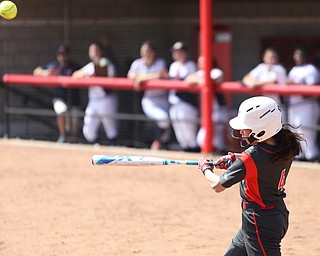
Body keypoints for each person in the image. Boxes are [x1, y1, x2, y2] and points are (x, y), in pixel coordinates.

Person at [197, 96, 303, 256]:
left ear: (262, 129)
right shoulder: (286, 144)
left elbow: (217, 185)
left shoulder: (251, 157)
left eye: (246, 127)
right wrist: (236, 159)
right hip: (272, 215)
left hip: (260, 221)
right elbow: (262, 159)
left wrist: (205, 168)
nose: (242, 132)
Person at [33, 44, 82, 143]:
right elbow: (36, 71)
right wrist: (45, 73)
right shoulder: (54, 66)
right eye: (61, 54)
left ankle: (73, 139)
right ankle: (63, 136)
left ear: (69, 55)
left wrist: (75, 75)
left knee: (74, 121)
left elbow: (84, 72)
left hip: (74, 99)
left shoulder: (74, 66)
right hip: (60, 97)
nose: (63, 56)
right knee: (61, 110)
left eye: (65, 54)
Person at [72, 42, 118, 144]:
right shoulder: (89, 66)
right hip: (93, 101)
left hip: (106, 99)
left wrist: (96, 75)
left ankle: (114, 149)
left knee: (110, 128)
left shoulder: (107, 63)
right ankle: (97, 145)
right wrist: (86, 75)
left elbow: (111, 79)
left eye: (96, 50)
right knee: (88, 130)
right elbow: (75, 75)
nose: (94, 53)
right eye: (92, 51)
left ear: (101, 52)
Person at [127, 41, 170, 150]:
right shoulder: (137, 63)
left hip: (163, 98)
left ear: (154, 52)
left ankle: (161, 144)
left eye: (149, 51)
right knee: (163, 118)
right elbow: (130, 76)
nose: (147, 53)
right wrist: (151, 76)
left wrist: (141, 77)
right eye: (145, 51)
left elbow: (161, 75)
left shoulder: (160, 62)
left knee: (167, 123)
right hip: (149, 99)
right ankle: (157, 142)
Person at [185, 56, 229, 153]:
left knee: (213, 141)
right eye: (199, 62)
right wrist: (201, 80)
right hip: (209, 112)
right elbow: (188, 79)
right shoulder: (201, 73)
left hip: (219, 111)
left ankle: (221, 160)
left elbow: (215, 79)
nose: (201, 64)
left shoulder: (216, 71)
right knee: (206, 140)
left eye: (203, 61)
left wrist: (202, 80)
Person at [287, 47, 320, 162]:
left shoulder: (311, 69)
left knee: (307, 132)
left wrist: (295, 84)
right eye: (296, 55)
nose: (298, 58)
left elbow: (312, 89)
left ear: (306, 56)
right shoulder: (294, 69)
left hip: (308, 105)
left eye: (300, 55)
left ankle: (312, 156)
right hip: (295, 105)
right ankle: (300, 155)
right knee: (295, 130)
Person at [168, 41, 199, 152]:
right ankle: (185, 152)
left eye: (180, 52)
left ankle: (194, 152)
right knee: (179, 131)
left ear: (185, 53)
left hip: (186, 102)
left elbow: (191, 82)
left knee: (188, 130)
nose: (178, 54)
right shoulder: (173, 65)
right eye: (176, 52)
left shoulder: (190, 65)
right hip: (174, 102)